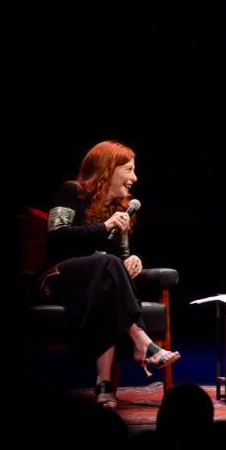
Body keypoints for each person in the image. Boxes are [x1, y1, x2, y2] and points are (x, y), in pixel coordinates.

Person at [37, 140, 180, 409]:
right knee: (108, 265)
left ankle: (104, 386)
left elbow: (120, 259)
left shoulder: (121, 210)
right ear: (108, 169)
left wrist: (133, 260)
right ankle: (142, 341)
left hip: (95, 286)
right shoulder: (71, 192)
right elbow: (56, 237)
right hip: (56, 279)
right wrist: (104, 227)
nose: (134, 178)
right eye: (128, 169)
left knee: (109, 277)